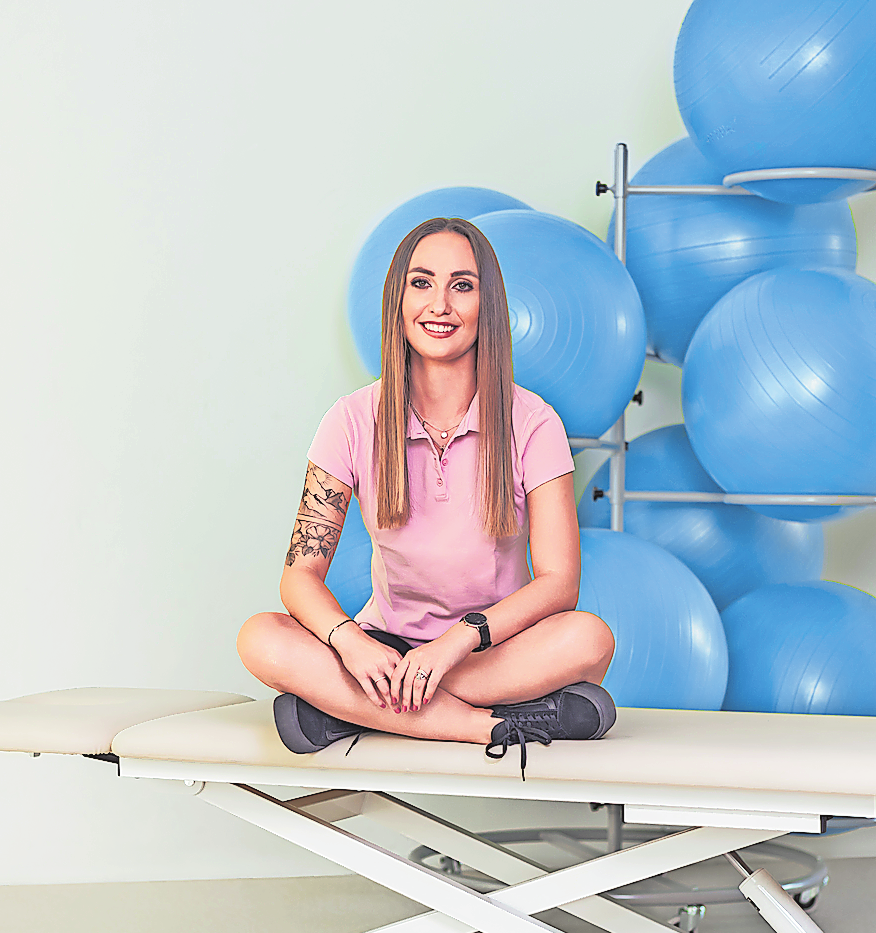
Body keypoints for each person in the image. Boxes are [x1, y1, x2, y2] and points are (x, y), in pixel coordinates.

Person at [237, 217, 616, 776]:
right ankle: (486, 725)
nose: (440, 304)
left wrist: (458, 641)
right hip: (383, 649)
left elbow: (560, 584)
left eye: (462, 285)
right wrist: (351, 645)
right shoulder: (350, 420)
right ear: (398, 299)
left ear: (487, 305)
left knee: (589, 639)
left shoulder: (534, 422)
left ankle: (349, 711)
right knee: (261, 638)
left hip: (485, 650)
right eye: (421, 283)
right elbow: (299, 576)